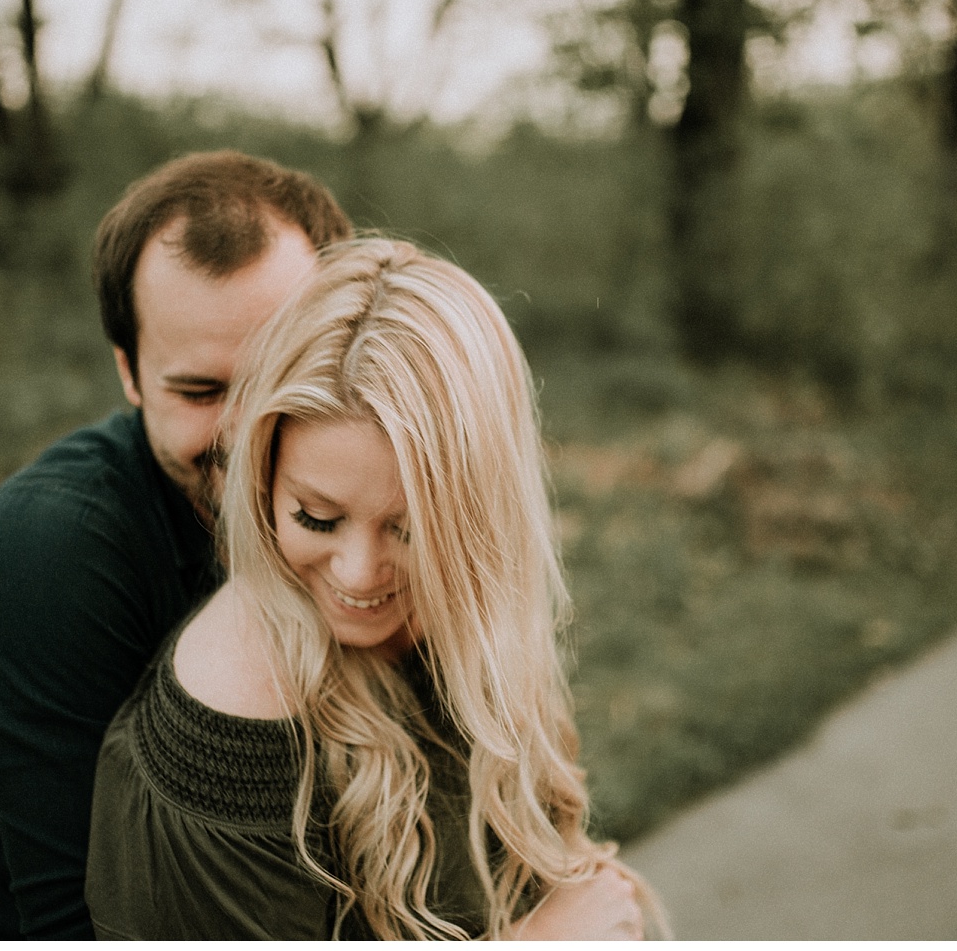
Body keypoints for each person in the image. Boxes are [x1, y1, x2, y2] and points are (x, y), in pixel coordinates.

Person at [85, 239, 665, 940]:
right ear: (262, 482)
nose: (359, 575)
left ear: (483, 516)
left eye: (411, 528)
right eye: (317, 517)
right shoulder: (231, 743)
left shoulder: (454, 631)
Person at [0, 151, 352, 939]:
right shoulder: (55, 547)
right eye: (200, 391)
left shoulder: (375, 508)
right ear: (129, 371)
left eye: (276, 377)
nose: (244, 432)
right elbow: (76, 920)